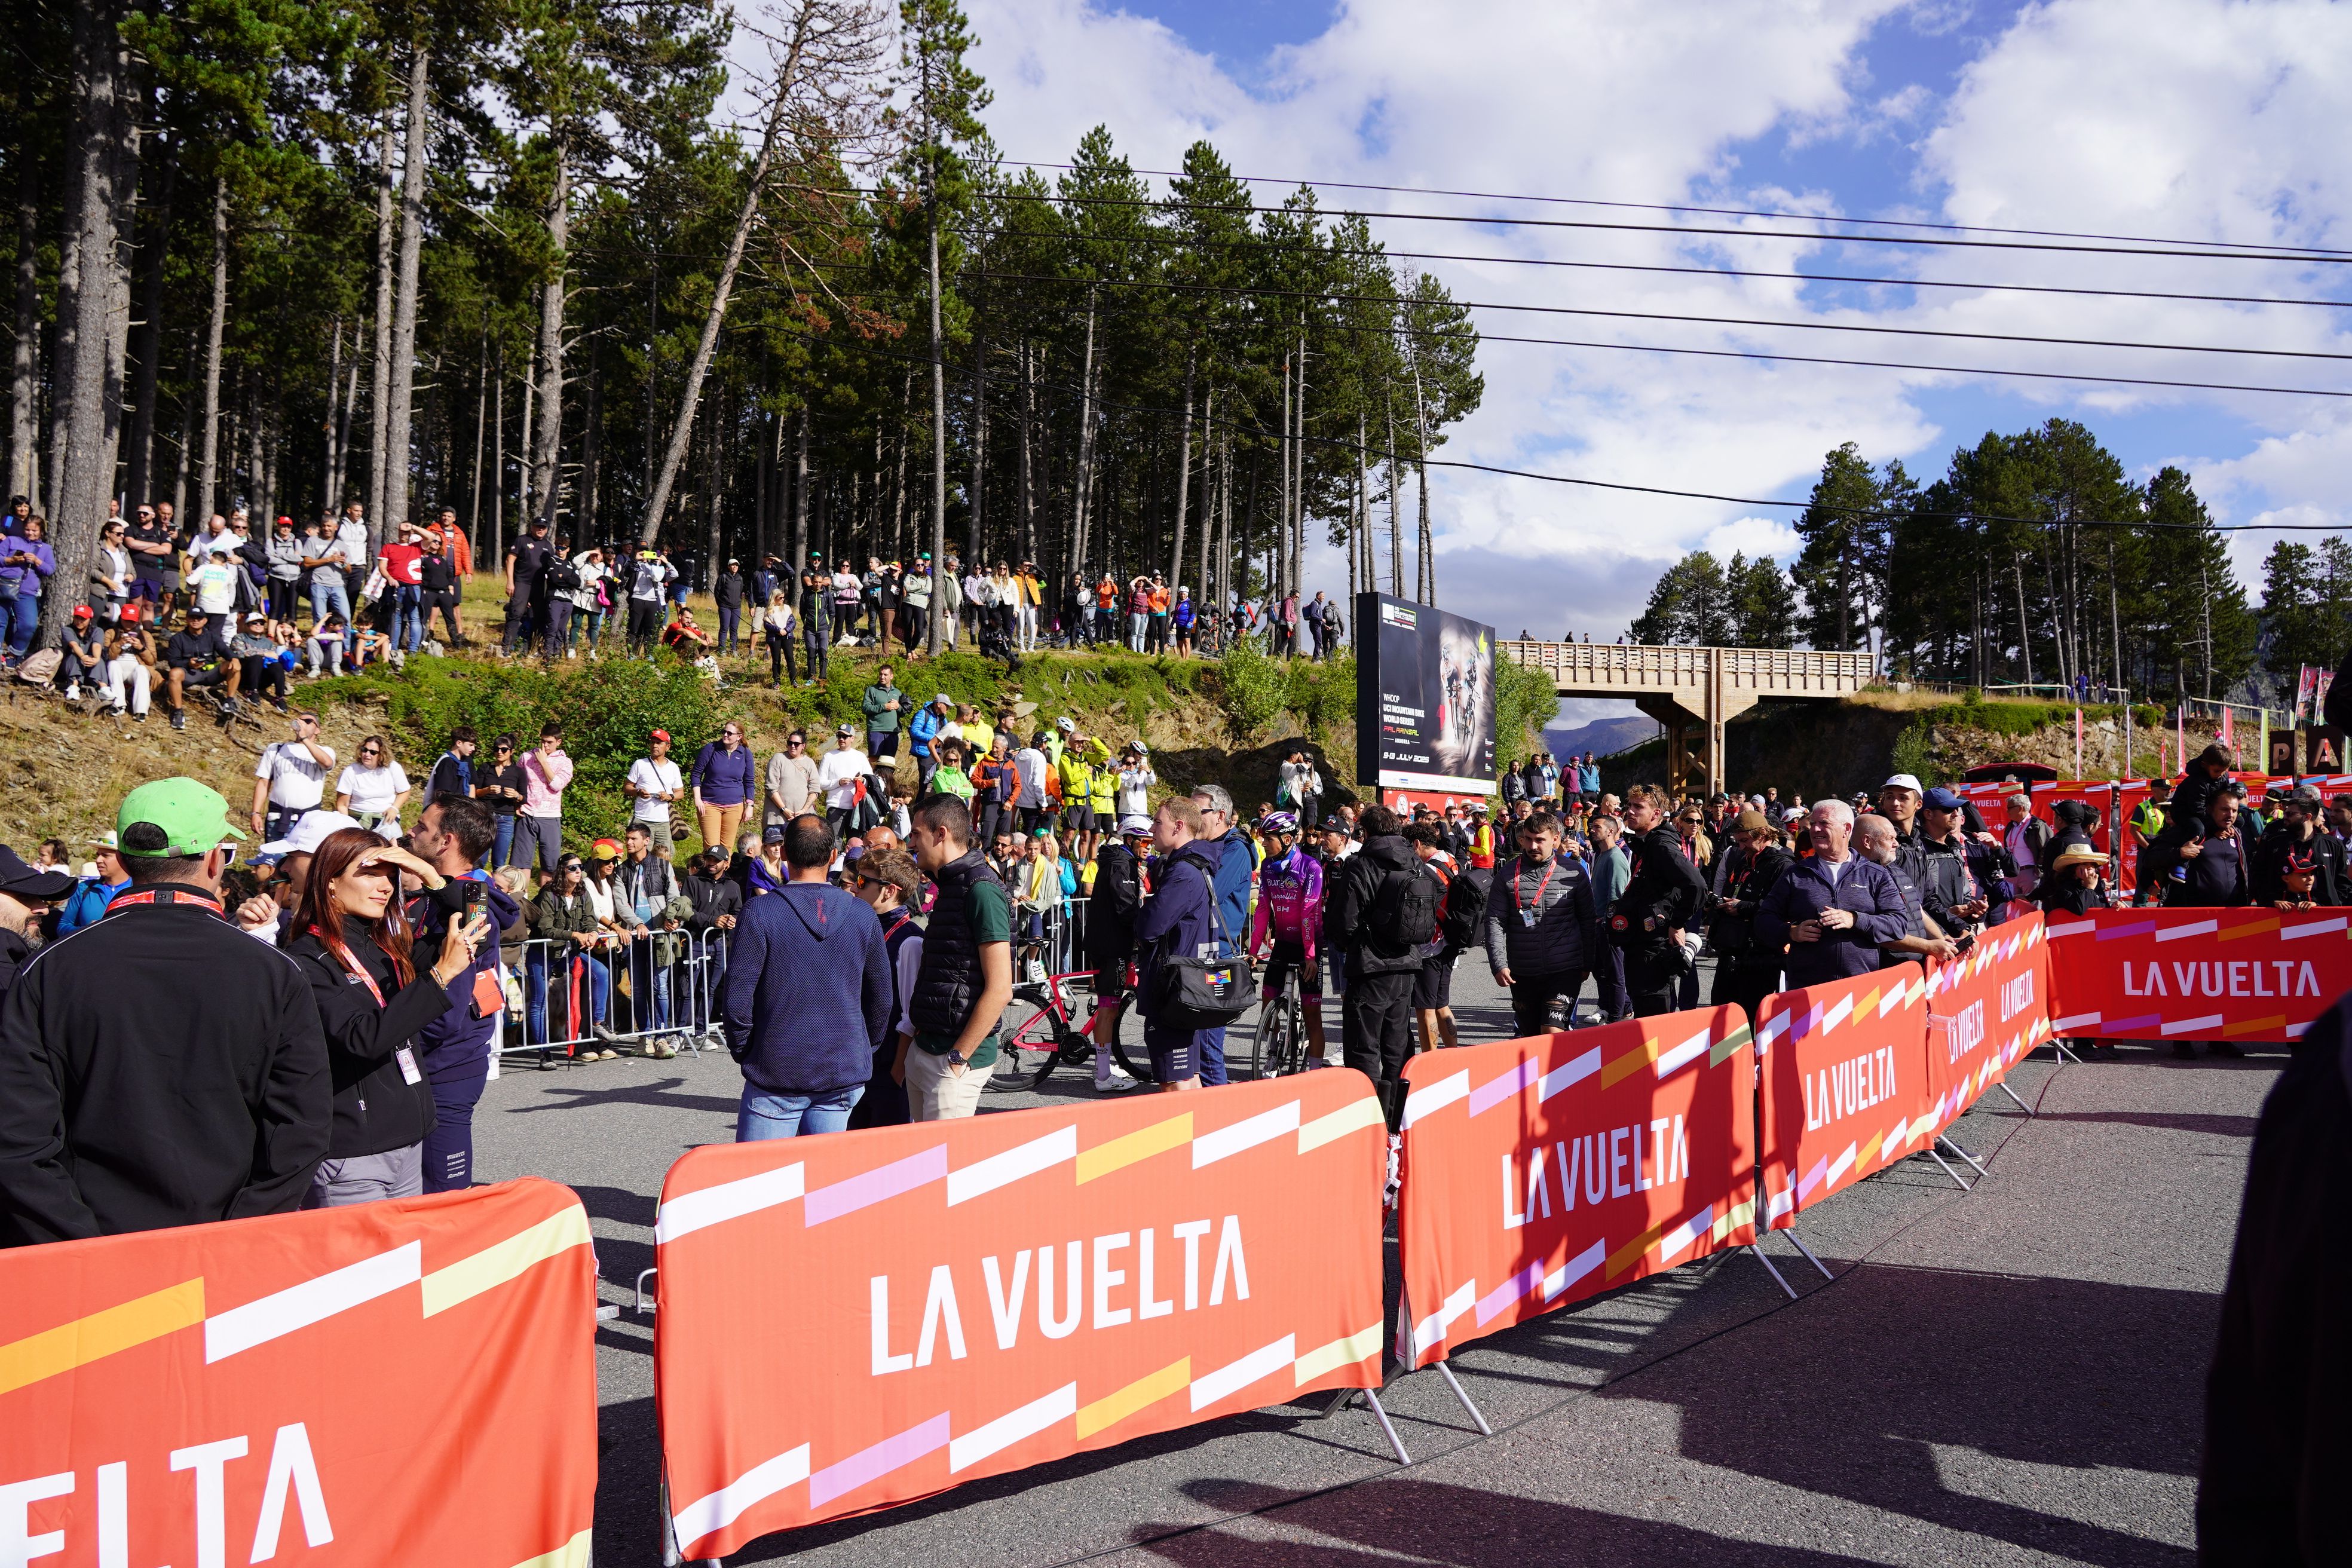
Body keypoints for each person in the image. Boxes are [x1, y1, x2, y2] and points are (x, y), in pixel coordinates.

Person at [0, 779, 330, 1244]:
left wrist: (78, 1243)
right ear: (215, 860)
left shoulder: (48, 968)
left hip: (88, 1244)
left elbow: (18, 1136)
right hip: (221, 1239)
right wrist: (239, 1232)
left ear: (128, 858)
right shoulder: (275, 973)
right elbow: (302, 1129)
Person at [287, 827, 488, 1206]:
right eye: (370, 874)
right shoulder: (306, 959)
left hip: (408, 1138)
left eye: (391, 877)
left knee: (403, 1262)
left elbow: (480, 924)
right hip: (354, 1154)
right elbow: (363, 1039)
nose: (386, 887)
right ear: (330, 882)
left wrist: (429, 875)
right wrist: (440, 975)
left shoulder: (387, 946)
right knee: (358, 1265)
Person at [718, 812, 893, 1138]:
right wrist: (862, 1048)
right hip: (842, 1067)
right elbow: (881, 998)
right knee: (826, 1184)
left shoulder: (760, 912)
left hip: (778, 1067)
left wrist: (748, 1050)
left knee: (765, 1184)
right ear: (832, 857)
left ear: (783, 853)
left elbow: (737, 1000)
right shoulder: (862, 914)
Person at [403, 795, 517, 1192]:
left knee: (443, 1199)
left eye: (421, 826)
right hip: (425, 1062)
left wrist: (397, 1038)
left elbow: (477, 923)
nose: (410, 832)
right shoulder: (443, 894)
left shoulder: (473, 895)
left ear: (447, 840)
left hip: (446, 1064)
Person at [900, 795, 1014, 1117]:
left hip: (953, 1061)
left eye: (916, 834)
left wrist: (958, 1057)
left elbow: (1001, 988)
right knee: (923, 1164)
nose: (911, 843)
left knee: (945, 1166)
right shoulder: (952, 884)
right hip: (927, 1049)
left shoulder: (982, 889)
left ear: (941, 833)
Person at [1324, 803, 1428, 1125]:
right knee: (1397, 1045)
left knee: (1363, 1047)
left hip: (1370, 966)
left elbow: (1345, 922)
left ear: (1364, 833)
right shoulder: (1415, 861)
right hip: (1407, 962)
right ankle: (1399, 1120)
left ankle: (1367, 1122)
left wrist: (1350, 944)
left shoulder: (1361, 865)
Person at [1753, 798, 1911, 990]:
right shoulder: (1795, 875)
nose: (1815, 829)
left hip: (1861, 992)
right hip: (1808, 993)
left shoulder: (1875, 874)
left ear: (1846, 829)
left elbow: (1898, 925)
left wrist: (1855, 919)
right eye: (1813, 824)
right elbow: (1763, 921)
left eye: (1824, 823)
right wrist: (1791, 932)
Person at [1483, 809, 1598, 1039]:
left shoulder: (1574, 872)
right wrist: (1499, 964)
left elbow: (1588, 919)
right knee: (1530, 1037)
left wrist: (1588, 962)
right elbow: (1494, 921)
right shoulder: (1506, 875)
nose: (1533, 846)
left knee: (1552, 1032)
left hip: (1564, 969)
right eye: (1528, 839)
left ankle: (1562, 1075)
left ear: (1556, 839)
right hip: (1523, 971)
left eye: (1540, 840)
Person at [1609, 784, 1708, 1016]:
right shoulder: (1646, 843)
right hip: (1640, 945)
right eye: (1629, 805)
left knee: (1653, 1024)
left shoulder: (1661, 845)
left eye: (1638, 807)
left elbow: (1697, 885)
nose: (1630, 811)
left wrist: (1678, 924)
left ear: (1655, 814)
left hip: (1653, 950)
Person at [613, 823, 685, 1055]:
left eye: (634, 838)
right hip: (635, 937)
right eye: (627, 838)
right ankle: (645, 1036)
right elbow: (621, 904)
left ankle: (661, 1037)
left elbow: (675, 898)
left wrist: (673, 920)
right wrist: (638, 924)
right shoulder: (621, 870)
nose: (629, 842)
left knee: (660, 987)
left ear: (647, 840)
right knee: (638, 989)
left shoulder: (663, 866)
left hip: (660, 936)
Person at [250, 711, 337, 844]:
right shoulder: (276, 749)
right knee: (272, 862)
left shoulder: (325, 750)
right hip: (278, 817)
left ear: (317, 730)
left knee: (302, 863)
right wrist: (256, 813)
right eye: (300, 720)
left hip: (308, 820)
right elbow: (263, 782)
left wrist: (304, 739)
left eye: (308, 721)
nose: (302, 723)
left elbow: (327, 763)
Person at [0, 847, 72, 1004]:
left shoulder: (29, 969)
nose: (44, 909)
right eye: (24, 896)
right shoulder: (11, 989)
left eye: (40, 897)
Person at [161, 605, 244, 730]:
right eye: (192, 618)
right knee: (174, 674)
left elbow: (225, 651)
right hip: (189, 673)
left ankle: (230, 701)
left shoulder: (212, 637)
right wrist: (188, 664)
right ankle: (178, 712)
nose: (196, 620)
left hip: (209, 673)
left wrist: (234, 658)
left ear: (205, 621)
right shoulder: (177, 639)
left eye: (199, 618)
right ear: (187, 620)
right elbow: (173, 662)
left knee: (233, 664)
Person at [2167, 786, 2250, 910]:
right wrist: (2179, 853)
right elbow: (2151, 859)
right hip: (2196, 913)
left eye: (2234, 811)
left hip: (2232, 912)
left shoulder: (2236, 833)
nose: (2230, 815)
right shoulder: (2192, 832)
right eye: (2225, 809)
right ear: (2210, 809)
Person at [692, 721, 756, 855]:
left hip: (734, 807)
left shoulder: (745, 753)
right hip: (709, 804)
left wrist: (749, 805)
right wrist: (697, 798)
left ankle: (724, 875)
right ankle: (709, 875)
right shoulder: (711, 749)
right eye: (724, 732)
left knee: (727, 847)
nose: (725, 735)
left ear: (739, 736)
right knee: (712, 848)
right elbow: (696, 774)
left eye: (729, 733)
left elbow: (749, 781)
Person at [516, 722, 572, 872]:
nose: (545, 745)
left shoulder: (565, 762)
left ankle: (547, 896)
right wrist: (517, 804)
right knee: (522, 863)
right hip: (527, 813)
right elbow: (517, 781)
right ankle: (522, 895)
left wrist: (543, 762)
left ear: (558, 742)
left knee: (550, 865)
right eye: (543, 741)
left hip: (550, 815)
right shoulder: (526, 757)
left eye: (550, 742)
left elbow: (557, 785)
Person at [623, 727, 687, 855]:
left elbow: (680, 793)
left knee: (664, 857)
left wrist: (669, 796)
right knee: (640, 857)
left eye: (659, 743)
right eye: (652, 742)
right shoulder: (640, 764)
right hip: (642, 820)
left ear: (668, 747)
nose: (655, 746)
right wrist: (638, 792)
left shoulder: (673, 767)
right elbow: (627, 787)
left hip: (664, 821)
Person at [334, 734, 411, 832]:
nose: (367, 755)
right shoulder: (350, 771)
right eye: (364, 750)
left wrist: (394, 808)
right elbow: (342, 805)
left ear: (381, 755)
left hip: (386, 817)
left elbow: (404, 791)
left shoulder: (392, 767)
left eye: (373, 752)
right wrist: (347, 827)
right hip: (357, 818)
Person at [862, 664, 906, 762]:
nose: (882, 677)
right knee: (874, 759)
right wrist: (884, 706)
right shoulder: (872, 690)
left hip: (893, 732)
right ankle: (872, 778)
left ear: (891, 676)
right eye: (880, 674)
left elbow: (904, 712)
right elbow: (865, 708)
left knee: (889, 761)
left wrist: (899, 707)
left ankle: (886, 778)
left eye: (885, 675)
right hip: (876, 730)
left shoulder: (898, 692)